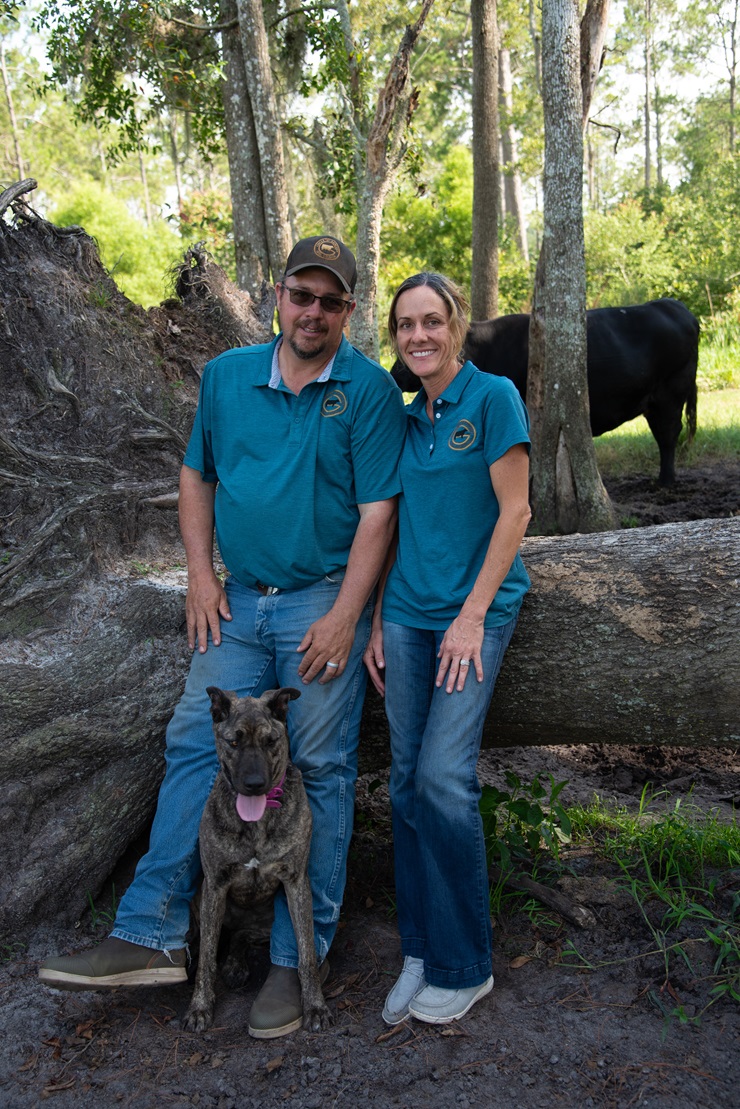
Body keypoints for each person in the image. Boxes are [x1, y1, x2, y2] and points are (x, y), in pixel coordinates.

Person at [40, 235, 407, 1040]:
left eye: (330, 300)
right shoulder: (227, 377)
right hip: (238, 599)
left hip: (320, 597)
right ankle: (149, 931)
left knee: (321, 764)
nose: (313, 312)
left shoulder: (370, 390)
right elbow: (196, 475)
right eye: (300, 295)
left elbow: (380, 510)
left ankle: (292, 959)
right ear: (278, 295)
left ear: (349, 309)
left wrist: (347, 613)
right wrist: (201, 576)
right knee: (191, 743)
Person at [364, 272, 532, 1027]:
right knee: (403, 782)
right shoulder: (404, 419)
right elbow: (392, 525)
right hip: (404, 613)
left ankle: (466, 965)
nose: (419, 336)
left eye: (432, 321)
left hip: (474, 615)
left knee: (441, 778)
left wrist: (469, 618)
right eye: (405, 325)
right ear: (395, 335)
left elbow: (516, 511)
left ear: (456, 325)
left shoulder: (493, 398)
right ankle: (421, 949)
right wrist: (372, 619)